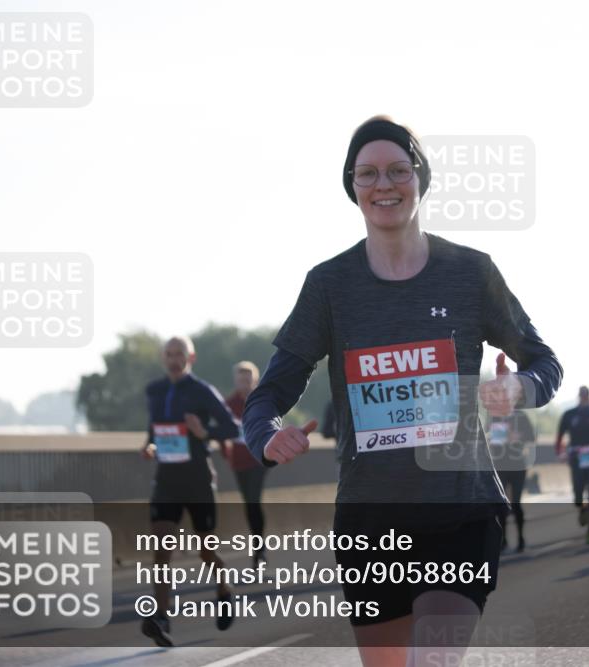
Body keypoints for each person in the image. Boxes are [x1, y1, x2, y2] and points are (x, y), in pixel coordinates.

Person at [241, 116, 563, 667]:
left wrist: (519, 389)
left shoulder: (471, 273)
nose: (383, 185)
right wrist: (266, 436)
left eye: (398, 170)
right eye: (367, 174)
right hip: (372, 524)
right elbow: (266, 396)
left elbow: (545, 364)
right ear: (352, 187)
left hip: (459, 513)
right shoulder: (329, 286)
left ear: (421, 178)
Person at [140, 336, 241, 647]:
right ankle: (161, 616)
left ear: (191, 357)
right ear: (163, 358)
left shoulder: (202, 391)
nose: (173, 359)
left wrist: (205, 432)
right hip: (167, 479)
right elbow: (154, 430)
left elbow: (232, 428)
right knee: (160, 547)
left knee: (205, 550)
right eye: (169, 354)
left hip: (197, 479)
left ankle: (224, 590)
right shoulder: (154, 391)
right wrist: (150, 446)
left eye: (179, 354)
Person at [219, 361, 269, 567]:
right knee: (249, 503)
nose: (244, 383)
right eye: (241, 380)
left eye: (248, 380)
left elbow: (274, 425)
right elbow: (221, 432)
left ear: (255, 381)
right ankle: (259, 545)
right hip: (239, 460)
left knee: (253, 499)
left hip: (259, 458)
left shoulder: (263, 400)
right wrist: (226, 453)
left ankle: (259, 549)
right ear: (235, 382)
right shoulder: (228, 404)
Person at [556, 387, 589, 545]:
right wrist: (560, 452)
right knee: (578, 495)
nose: (584, 398)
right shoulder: (569, 414)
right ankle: (583, 507)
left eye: (587, 396)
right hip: (577, 459)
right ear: (578, 397)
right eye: (582, 396)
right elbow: (559, 436)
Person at [488, 408, 536, 553]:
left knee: (516, 503)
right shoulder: (494, 416)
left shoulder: (521, 416)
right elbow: (490, 437)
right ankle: (503, 540)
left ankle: (521, 538)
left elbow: (531, 437)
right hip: (500, 465)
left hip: (517, 465)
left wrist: (517, 437)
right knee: (501, 505)